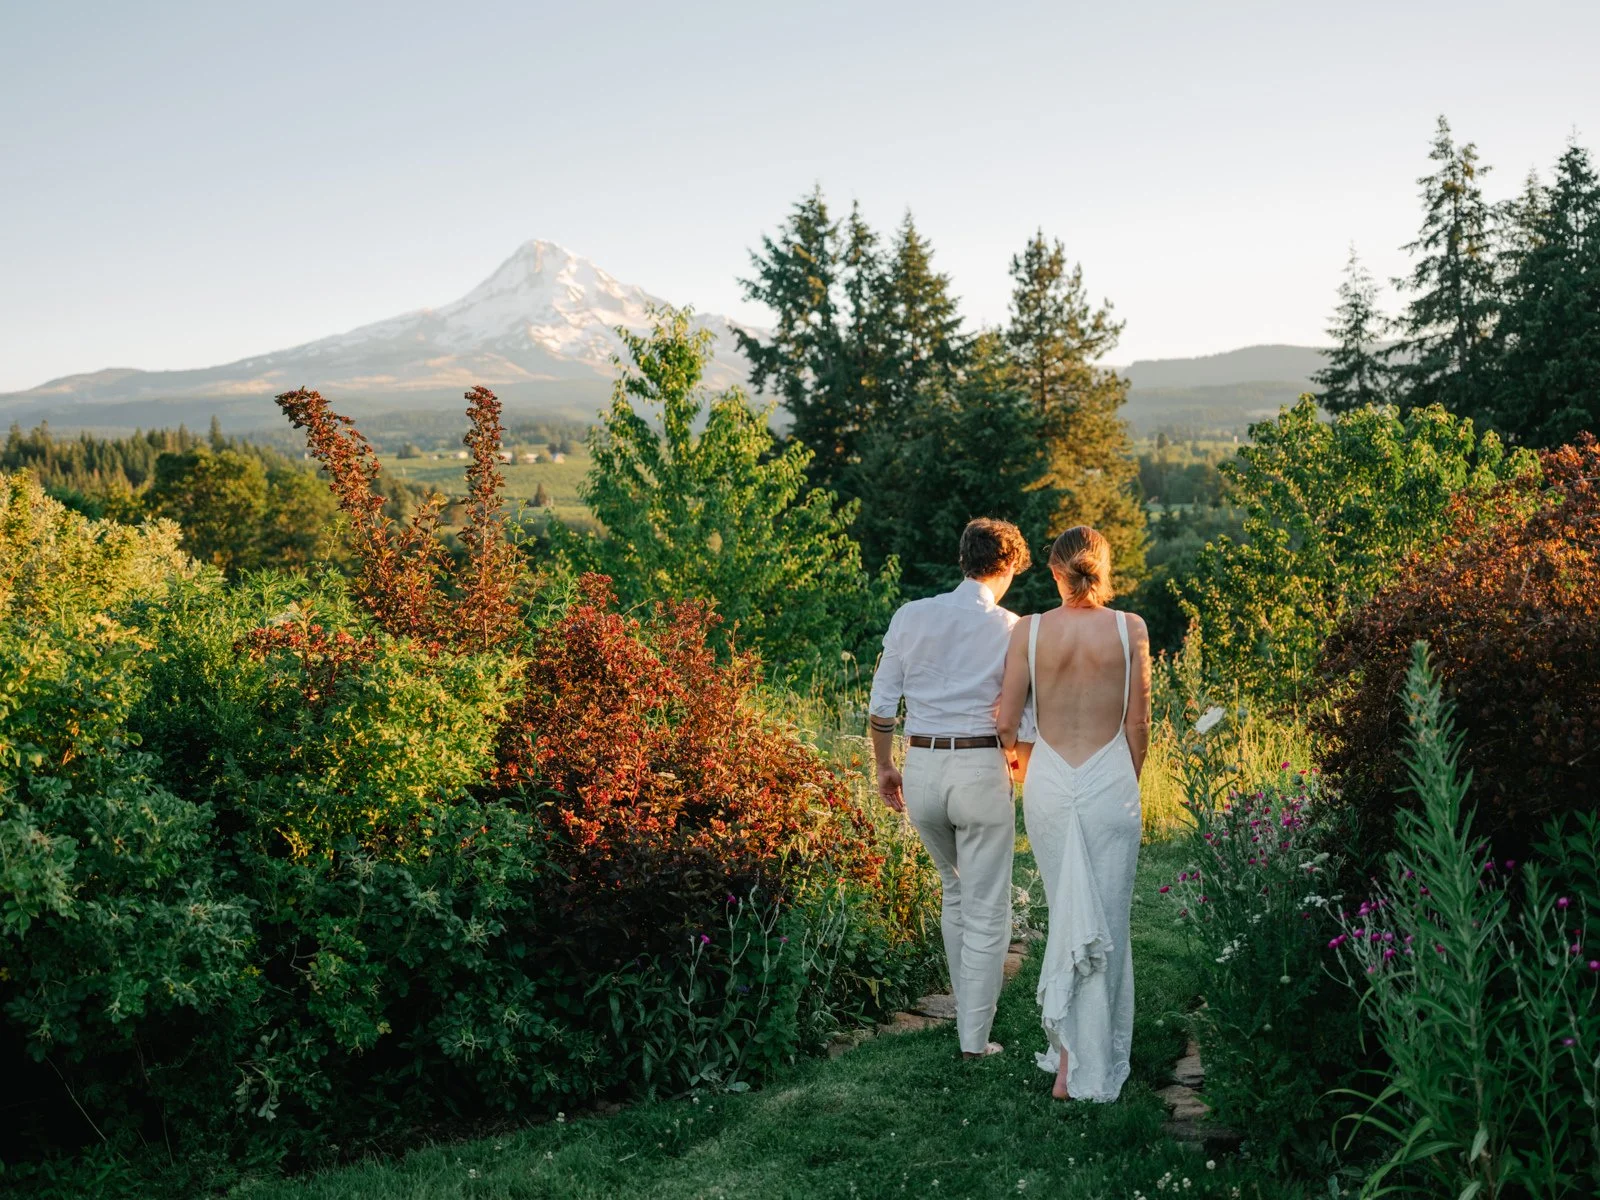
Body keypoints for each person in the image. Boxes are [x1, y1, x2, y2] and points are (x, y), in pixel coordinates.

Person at [868, 517, 1035, 1059]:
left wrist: (884, 767)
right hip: (980, 766)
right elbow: (1022, 720)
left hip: (922, 769)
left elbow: (880, 705)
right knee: (988, 908)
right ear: (1007, 566)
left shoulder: (911, 615)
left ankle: (968, 1019)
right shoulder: (1015, 628)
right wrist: (1023, 767)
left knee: (955, 891)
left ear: (963, 560)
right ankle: (974, 1040)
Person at [997, 525, 1150, 1101]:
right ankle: (1087, 1062)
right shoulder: (1130, 628)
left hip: (1051, 785)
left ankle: (1068, 1062)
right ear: (1103, 569)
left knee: (1066, 910)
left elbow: (1007, 725)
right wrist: (1122, 779)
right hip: (1111, 779)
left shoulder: (1029, 632)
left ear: (1055, 571)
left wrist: (1021, 772)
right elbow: (1138, 725)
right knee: (1107, 919)